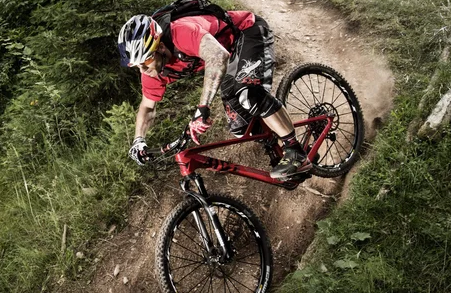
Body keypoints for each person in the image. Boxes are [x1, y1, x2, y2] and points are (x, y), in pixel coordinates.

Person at [118, 10, 310, 179]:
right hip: (228, 61)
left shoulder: (181, 32)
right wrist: (138, 140)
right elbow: (148, 107)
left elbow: (218, 56)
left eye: (145, 63)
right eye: (137, 67)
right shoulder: (152, 72)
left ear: (159, 48)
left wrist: (202, 109)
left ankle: (295, 151)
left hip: (247, 33)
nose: (143, 70)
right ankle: (295, 148)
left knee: (248, 95)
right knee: (241, 127)